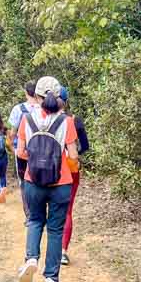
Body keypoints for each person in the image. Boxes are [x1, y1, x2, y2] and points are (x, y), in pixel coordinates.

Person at [14, 76, 79, 282]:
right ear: (59, 96)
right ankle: (51, 279)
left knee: (34, 221)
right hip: (61, 184)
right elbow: (72, 155)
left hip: (33, 180)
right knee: (55, 229)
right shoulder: (67, 122)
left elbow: (20, 152)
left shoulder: (26, 120)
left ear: (37, 96)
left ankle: (31, 258)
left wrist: (36, 158)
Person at [59, 85, 90, 266]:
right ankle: (63, 251)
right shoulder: (74, 120)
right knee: (67, 210)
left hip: (49, 170)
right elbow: (85, 146)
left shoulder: (44, 119)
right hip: (71, 169)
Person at [7, 80, 38, 221]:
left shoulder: (18, 109)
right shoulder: (45, 108)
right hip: (42, 151)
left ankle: (30, 215)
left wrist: (12, 146)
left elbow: (12, 132)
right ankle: (40, 212)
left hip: (22, 152)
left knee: (24, 182)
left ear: (26, 92)